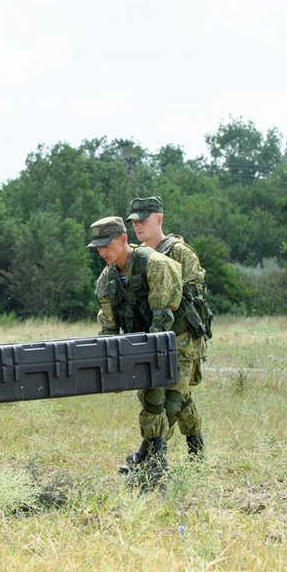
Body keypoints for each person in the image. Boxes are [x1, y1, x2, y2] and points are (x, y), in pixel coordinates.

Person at [88, 216, 186, 488]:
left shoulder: (155, 265)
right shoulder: (106, 281)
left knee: (174, 403)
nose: (101, 252)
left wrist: (144, 358)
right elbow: (109, 328)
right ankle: (155, 460)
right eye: (96, 247)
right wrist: (113, 370)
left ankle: (162, 456)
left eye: (105, 245)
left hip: (178, 339)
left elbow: (163, 316)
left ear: (122, 239)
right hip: (145, 343)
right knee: (154, 401)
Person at [126, 197, 208, 459]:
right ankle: (196, 447)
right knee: (159, 397)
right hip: (153, 337)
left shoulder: (181, 252)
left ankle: (150, 453)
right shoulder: (136, 256)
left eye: (143, 220)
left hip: (182, 338)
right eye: (134, 222)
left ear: (158, 219)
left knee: (173, 401)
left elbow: (195, 297)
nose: (138, 227)